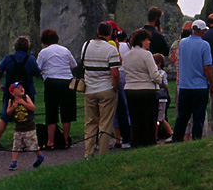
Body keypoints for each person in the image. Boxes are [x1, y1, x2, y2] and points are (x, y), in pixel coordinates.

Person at [0, 36, 42, 149]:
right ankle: (25, 143)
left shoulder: (8, 58)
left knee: (5, 116)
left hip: (11, 92)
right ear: (28, 47)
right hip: (27, 93)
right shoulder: (31, 59)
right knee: (27, 117)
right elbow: (38, 73)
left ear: (15, 46)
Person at [80, 22, 122, 158]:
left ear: (98, 32)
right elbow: (115, 73)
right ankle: (102, 154)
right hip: (106, 88)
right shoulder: (111, 49)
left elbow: (84, 66)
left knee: (90, 123)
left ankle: (88, 152)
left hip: (90, 89)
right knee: (105, 123)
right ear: (110, 34)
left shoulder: (86, 46)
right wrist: (115, 87)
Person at [173, 20, 213, 142]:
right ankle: (196, 139)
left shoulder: (182, 43)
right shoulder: (205, 45)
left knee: (182, 117)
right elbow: (207, 67)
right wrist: (212, 85)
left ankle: (176, 139)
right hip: (200, 86)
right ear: (203, 31)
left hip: (184, 85)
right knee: (198, 116)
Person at [37, 28, 77, 150]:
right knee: (67, 113)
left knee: (51, 113)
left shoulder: (44, 52)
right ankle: (65, 140)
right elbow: (73, 65)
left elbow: (37, 68)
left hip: (51, 82)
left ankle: (50, 142)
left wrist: (43, 74)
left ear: (44, 41)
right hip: (67, 82)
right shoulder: (65, 50)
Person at [123, 29, 162, 147]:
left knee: (135, 118)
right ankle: (149, 142)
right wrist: (160, 79)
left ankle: (136, 141)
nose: (149, 42)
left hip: (130, 89)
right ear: (141, 41)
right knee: (149, 119)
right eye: (147, 40)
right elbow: (154, 75)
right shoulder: (146, 54)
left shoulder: (126, 55)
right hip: (146, 89)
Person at [5, 82, 45, 170]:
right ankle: (14, 162)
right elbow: (8, 112)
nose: (21, 89)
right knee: (16, 145)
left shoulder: (26, 97)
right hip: (18, 128)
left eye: (21, 87)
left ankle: (39, 156)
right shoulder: (11, 101)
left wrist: (23, 103)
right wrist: (13, 107)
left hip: (29, 127)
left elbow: (32, 108)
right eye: (18, 88)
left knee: (33, 144)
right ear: (12, 92)